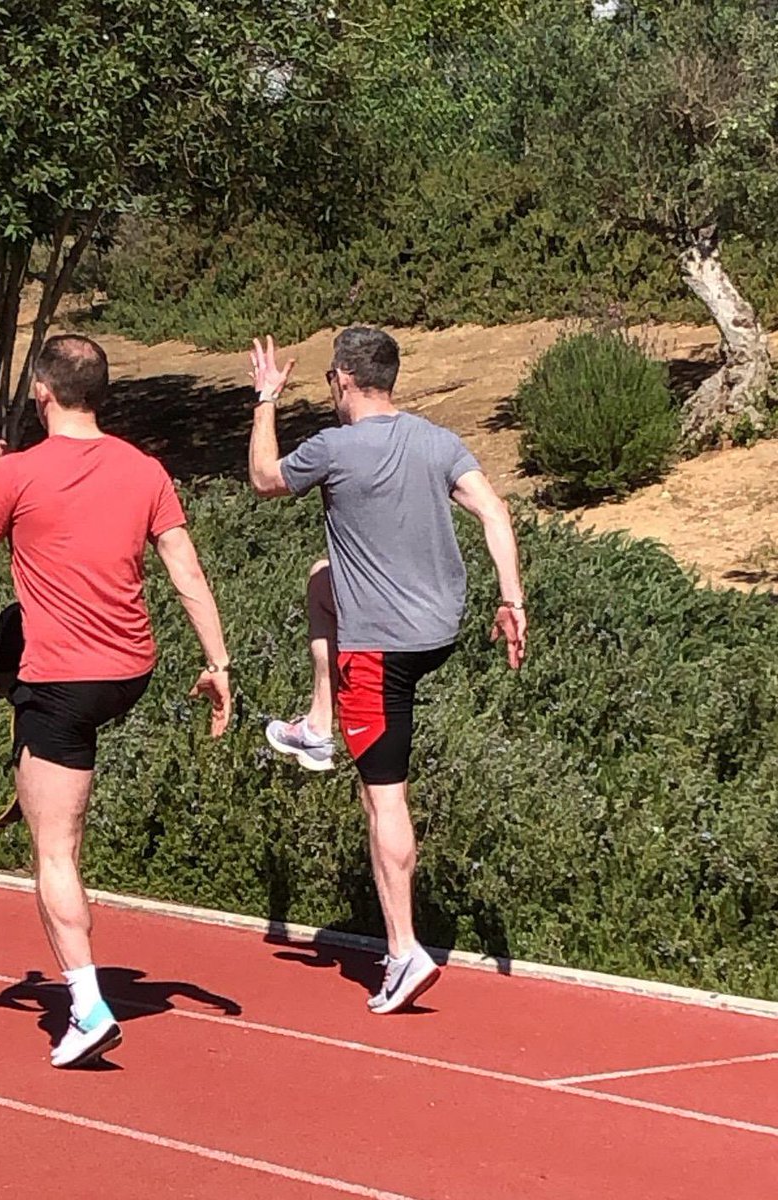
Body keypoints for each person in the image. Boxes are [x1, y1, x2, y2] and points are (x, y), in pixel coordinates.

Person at [0, 335, 232, 1067]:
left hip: (64, 683)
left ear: (42, 392)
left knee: (55, 851)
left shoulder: (17, 473)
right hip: (128, 673)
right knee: (51, 737)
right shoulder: (144, 469)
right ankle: (32, 752)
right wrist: (218, 663)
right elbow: (186, 568)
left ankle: (87, 1002)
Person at [247, 328, 527, 1015]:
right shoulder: (436, 441)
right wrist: (511, 598)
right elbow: (494, 510)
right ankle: (317, 722)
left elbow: (263, 479)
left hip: (378, 650)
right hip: (439, 632)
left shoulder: (335, 448)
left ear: (343, 380)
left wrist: (264, 400)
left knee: (383, 799)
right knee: (322, 580)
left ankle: (403, 950)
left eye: (327, 380)